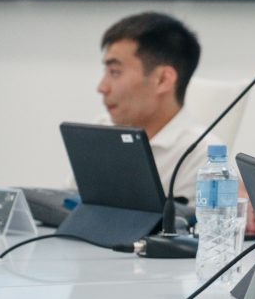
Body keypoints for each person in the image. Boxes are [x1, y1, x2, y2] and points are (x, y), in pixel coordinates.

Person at [79, 12, 217, 201]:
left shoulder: (203, 157)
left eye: (115, 72)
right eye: (106, 71)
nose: (102, 87)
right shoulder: (102, 130)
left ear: (162, 80)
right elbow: (67, 205)